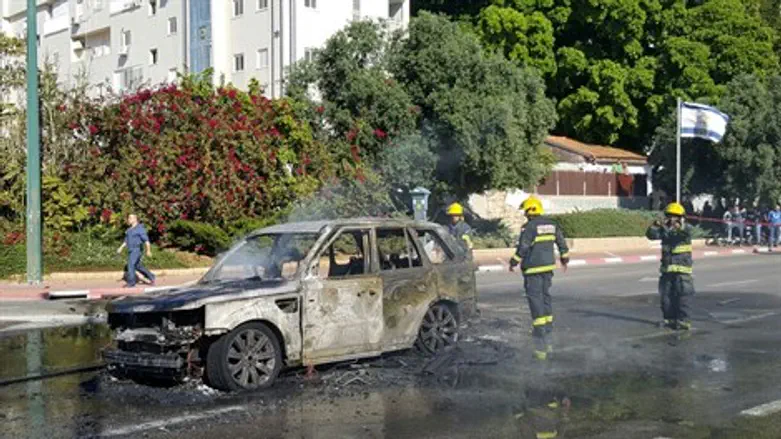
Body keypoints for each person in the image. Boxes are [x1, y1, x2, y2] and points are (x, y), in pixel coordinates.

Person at [508, 196, 569, 361]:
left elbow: (523, 247)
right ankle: (548, 327)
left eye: (526, 212)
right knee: (545, 296)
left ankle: (539, 333)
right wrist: (564, 260)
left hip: (533, 269)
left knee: (535, 299)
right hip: (548, 267)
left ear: (530, 211)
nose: (525, 215)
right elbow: (562, 243)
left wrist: (513, 262)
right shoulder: (552, 224)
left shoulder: (529, 227)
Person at [646, 202, 695, 330]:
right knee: (665, 296)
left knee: (683, 297)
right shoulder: (664, 230)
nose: (671, 219)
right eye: (669, 216)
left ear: (681, 218)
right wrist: (655, 225)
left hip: (682, 271)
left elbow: (680, 234)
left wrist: (675, 225)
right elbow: (651, 235)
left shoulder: (686, 229)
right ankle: (669, 319)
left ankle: (684, 321)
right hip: (667, 270)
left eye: (674, 216)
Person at [117, 214, 156, 287]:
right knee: (138, 266)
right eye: (128, 218)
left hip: (137, 249)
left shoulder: (140, 228)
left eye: (130, 218)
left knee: (130, 265)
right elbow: (126, 241)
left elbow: (146, 241)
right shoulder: (129, 230)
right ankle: (151, 276)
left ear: (135, 219)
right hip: (131, 250)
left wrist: (148, 250)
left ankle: (131, 282)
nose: (129, 219)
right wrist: (121, 248)